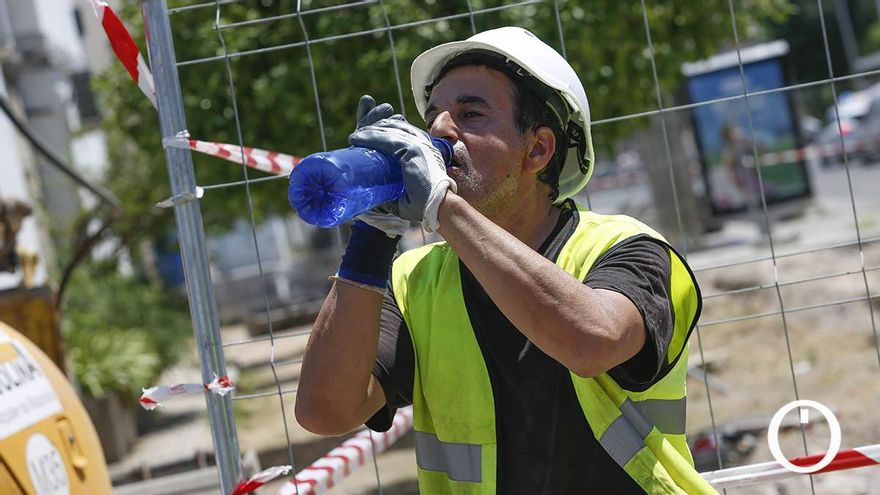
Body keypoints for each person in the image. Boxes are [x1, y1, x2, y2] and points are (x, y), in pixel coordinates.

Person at [296, 27, 716, 494]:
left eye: (470, 114)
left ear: (537, 149)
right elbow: (324, 412)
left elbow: (591, 344)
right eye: (433, 116)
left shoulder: (628, 248)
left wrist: (441, 206)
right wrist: (373, 236)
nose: (438, 131)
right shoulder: (412, 281)